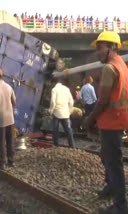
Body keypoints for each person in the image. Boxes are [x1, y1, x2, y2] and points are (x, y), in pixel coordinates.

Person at [83, 31, 128, 214]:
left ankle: (121, 206)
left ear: (111, 48)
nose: (97, 52)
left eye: (100, 48)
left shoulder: (109, 68)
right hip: (118, 119)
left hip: (111, 122)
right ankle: (111, 188)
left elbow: (102, 101)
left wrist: (89, 119)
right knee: (107, 157)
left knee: (113, 163)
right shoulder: (122, 66)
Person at [49, 78, 76, 148]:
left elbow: (53, 102)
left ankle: (56, 145)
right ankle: (72, 146)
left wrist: (51, 110)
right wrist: (69, 110)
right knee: (69, 131)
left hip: (56, 113)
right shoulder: (66, 89)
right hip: (66, 113)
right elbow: (71, 102)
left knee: (55, 130)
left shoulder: (54, 90)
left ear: (54, 83)